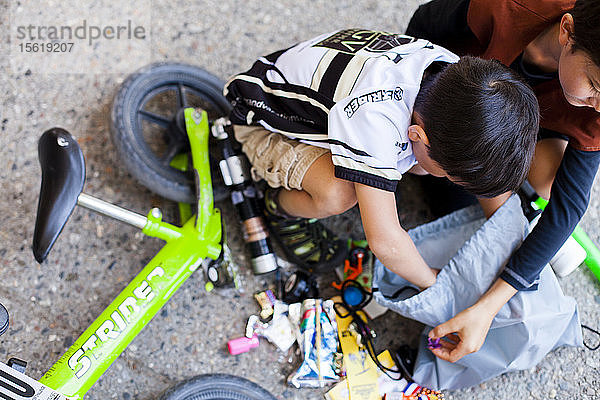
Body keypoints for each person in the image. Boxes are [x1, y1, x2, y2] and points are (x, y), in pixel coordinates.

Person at [224, 29, 539, 288]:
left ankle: (383, 169)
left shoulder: (460, 79)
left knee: (416, 169)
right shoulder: (377, 120)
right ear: (417, 136)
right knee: (339, 193)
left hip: (321, 92)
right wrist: (436, 284)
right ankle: (278, 207)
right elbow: (385, 241)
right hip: (263, 122)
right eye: (449, 174)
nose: (446, 179)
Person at [404, 0, 600, 363]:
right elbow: (424, 26)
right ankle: (456, 165)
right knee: (441, 176)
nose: (599, 107)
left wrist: (490, 306)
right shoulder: (510, 8)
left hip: (520, 114)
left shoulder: (592, 101)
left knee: (548, 181)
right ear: (566, 31)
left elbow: (570, 205)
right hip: (464, 101)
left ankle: (475, 173)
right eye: (595, 86)